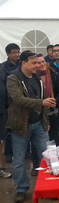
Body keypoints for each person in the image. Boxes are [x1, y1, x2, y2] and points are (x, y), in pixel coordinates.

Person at [7, 51, 56, 203]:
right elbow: (19, 99)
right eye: (34, 63)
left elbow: (42, 100)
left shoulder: (37, 78)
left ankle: (49, 187)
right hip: (21, 126)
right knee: (19, 160)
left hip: (39, 125)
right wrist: (42, 103)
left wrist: (45, 120)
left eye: (38, 62)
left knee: (48, 157)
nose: (38, 65)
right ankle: (21, 189)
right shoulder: (13, 78)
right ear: (24, 63)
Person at [0, 43, 20, 178]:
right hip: (6, 104)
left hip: (17, 103)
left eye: (18, 52)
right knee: (6, 132)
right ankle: (8, 153)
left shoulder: (21, 65)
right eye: (14, 52)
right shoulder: (3, 68)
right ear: (8, 54)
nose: (16, 55)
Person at [36, 55, 59, 145]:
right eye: (38, 62)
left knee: (54, 133)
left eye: (43, 62)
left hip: (53, 109)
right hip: (38, 111)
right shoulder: (33, 76)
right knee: (41, 136)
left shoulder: (53, 74)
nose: (41, 64)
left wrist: (55, 101)